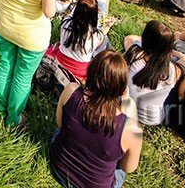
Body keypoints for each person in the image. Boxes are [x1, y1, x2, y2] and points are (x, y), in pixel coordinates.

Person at [49, 50, 143, 188]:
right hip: (95, 184)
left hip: (58, 167)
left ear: (91, 73)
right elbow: (128, 167)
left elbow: (60, 124)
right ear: (122, 87)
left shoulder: (70, 91)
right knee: (119, 170)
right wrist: (128, 102)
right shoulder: (131, 129)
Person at [123, 21, 185, 126]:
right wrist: (174, 52)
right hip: (152, 119)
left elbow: (128, 38)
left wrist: (142, 40)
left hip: (125, 107)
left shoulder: (134, 54)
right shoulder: (172, 70)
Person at [44, 0, 112, 82]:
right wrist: (108, 26)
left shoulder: (65, 23)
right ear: (94, 16)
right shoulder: (95, 36)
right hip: (80, 71)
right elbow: (102, 34)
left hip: (61, 60)